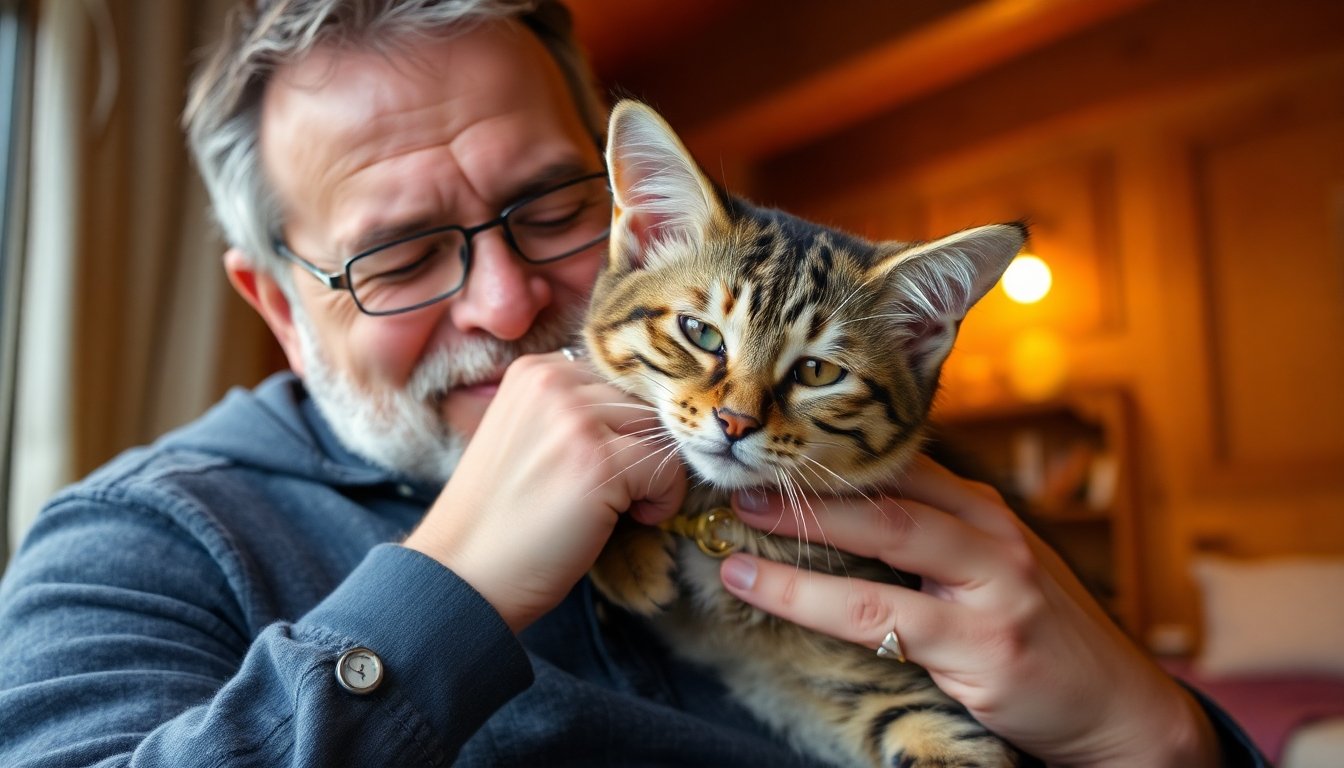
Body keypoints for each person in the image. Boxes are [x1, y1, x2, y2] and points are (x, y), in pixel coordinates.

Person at [0, 1, 1266, 766]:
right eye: (397, 253)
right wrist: (444, 596)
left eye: (552, 206)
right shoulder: (139, 546)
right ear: (278, 305)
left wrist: (1157, 742)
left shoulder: (899, 490)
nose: (504, 305)